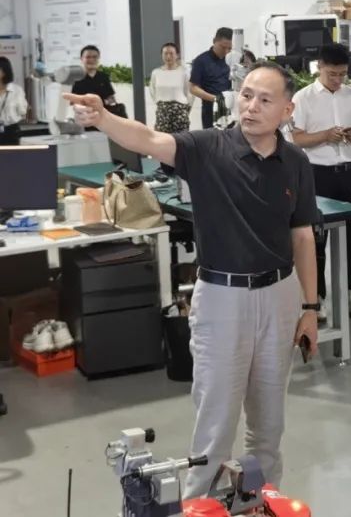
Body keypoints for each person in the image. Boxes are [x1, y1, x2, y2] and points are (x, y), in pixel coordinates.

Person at [63, 61, 320, 499]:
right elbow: (147, 139)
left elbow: (302, 236)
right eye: (246, 95)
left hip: (280, 295)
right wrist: (103, 117)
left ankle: (262, 502)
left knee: (269, 425)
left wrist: (310, 308)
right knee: (216, 425)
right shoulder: (206, 148)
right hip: (223, 297)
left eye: (265, 99)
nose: (251, 106)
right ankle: (200, 504)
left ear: (287, 109)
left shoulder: (294, 161)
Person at [290, 43, 351, 321]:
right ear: (319, 67)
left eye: (342, 74)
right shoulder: (303, 98)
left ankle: (348, 291)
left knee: (350, 238)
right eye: (332, 74)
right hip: (317, 175)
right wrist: (325, 135)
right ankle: (317, 297)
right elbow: (296, 139)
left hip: (348, 173)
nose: (337, 79)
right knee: (316, 238)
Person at [190, 28, 234, 129]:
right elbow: (193, 88)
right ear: (214, 41)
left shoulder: (232, 60)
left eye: (229, 48)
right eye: (223, 47)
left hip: (230, 111)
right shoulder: (201, 61)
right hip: (210, 111)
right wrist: (216, 99)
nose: (226, 51)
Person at [149, 42, 193, 135]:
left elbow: (189, 93)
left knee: (181, 141)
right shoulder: (156, 73)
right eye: (165, 53)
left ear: (177, 55)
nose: (168, 56)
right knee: (161, 140)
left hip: (180, 112)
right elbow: (153, 91)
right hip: (162, 112)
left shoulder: (184, 72)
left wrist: (184, 109)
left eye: (171, 53)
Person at [71, 45, 119, 121]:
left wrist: (104, 103)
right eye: (88, 57)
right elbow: (71, 101)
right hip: (84, 119)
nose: (91, 60)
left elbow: (111, 98)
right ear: (81, 59)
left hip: (103, 118)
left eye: (94, 57)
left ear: (98, 58)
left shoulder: (103, 77)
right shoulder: (75, 78)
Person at [0, 56, 28, 146]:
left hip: (11, 131)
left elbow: (22, 111)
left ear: (4, 72)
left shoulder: (16, 90)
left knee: (11, 154)